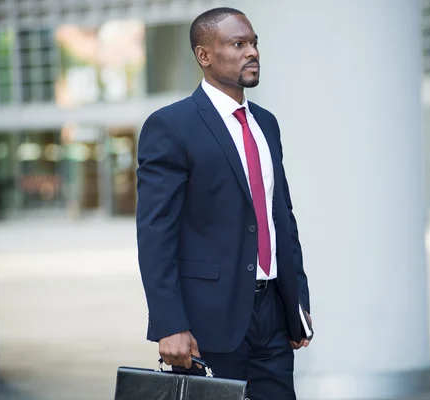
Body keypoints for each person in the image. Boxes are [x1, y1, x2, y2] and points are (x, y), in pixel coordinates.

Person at [135, 7, 311, 400]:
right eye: (238, 44)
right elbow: (155, 233)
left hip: (273, 316)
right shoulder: (171, 126)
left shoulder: (266, 123)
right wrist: (169, 323)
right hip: (207, 320)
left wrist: (297, 300)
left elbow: (280, 216)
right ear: (204, 55)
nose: (252, 52)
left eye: (254, 43)